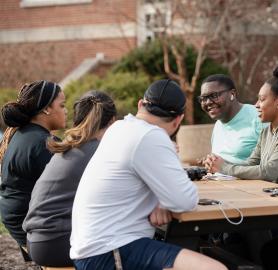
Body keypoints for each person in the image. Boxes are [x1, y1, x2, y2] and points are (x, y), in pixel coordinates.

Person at [70, 79, 226, 270]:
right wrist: (166, 199)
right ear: (178, 120)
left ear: (140, 104)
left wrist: (162, 201)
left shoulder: (119, 128)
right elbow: (185, 200)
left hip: (92, 247)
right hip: (109, 251)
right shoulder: (151, 136)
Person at [22, 91, 116, 267]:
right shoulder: (100, 151)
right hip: (55, 243)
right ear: (112, 122)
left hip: (36, 240)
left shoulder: (72, 144)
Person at [205, 66, 278, 191]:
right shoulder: (268, 130)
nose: (256, 105)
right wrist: (219, 163)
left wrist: (225, 168)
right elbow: (251, 163)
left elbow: (268, 172)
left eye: (261, 99)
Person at [0, 80, 66, 259]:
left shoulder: (21, 133)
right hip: (30, 227)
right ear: (46, 109)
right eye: (62, 105)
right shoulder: (43, 144)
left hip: (16, 219)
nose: (66, 111)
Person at [199, 74, 264, 164]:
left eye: (214, 96)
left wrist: (224, 168)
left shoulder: (259, 117)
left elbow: (270, 166)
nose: (208, 102)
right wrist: (210, 162)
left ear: (232, 94)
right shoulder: (218, 124)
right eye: (203, 98)